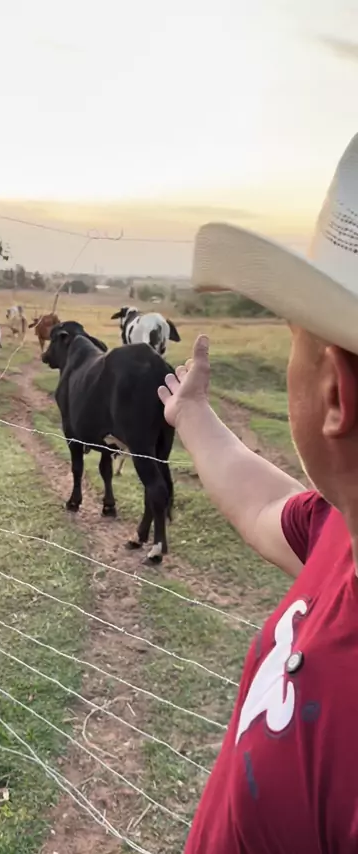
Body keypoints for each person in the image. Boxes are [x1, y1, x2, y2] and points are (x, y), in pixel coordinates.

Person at [158, 132, 358, 853]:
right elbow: (265, 505)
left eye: (293, 339)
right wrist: (194, 417)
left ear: (335, 390)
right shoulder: (342, 531)